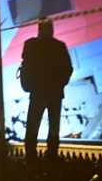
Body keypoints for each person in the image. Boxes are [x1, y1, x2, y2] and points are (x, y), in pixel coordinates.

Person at [22, 19, 73, 162]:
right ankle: (52, 153)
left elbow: (26, 66)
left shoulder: (31, 45)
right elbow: (68, 69)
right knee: (54, 124)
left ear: (39, 29)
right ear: (52, 29)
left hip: (37, 91)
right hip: (55, 92)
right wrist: (60, 84)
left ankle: (31, 154)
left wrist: (30, 85)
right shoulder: (59, 46)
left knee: (33, 123)